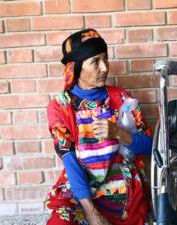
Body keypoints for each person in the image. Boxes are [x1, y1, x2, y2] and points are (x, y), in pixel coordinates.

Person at [45, 29, 153, 225]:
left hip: (122, 183)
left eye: (106, 59)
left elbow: (150, 147)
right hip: (81, 185)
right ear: (77, 68)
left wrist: (118, 132)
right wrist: (90, 211)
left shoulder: (121, 98)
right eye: (95, 62)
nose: (104, 68)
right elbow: (69, 160)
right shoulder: (60, 106)